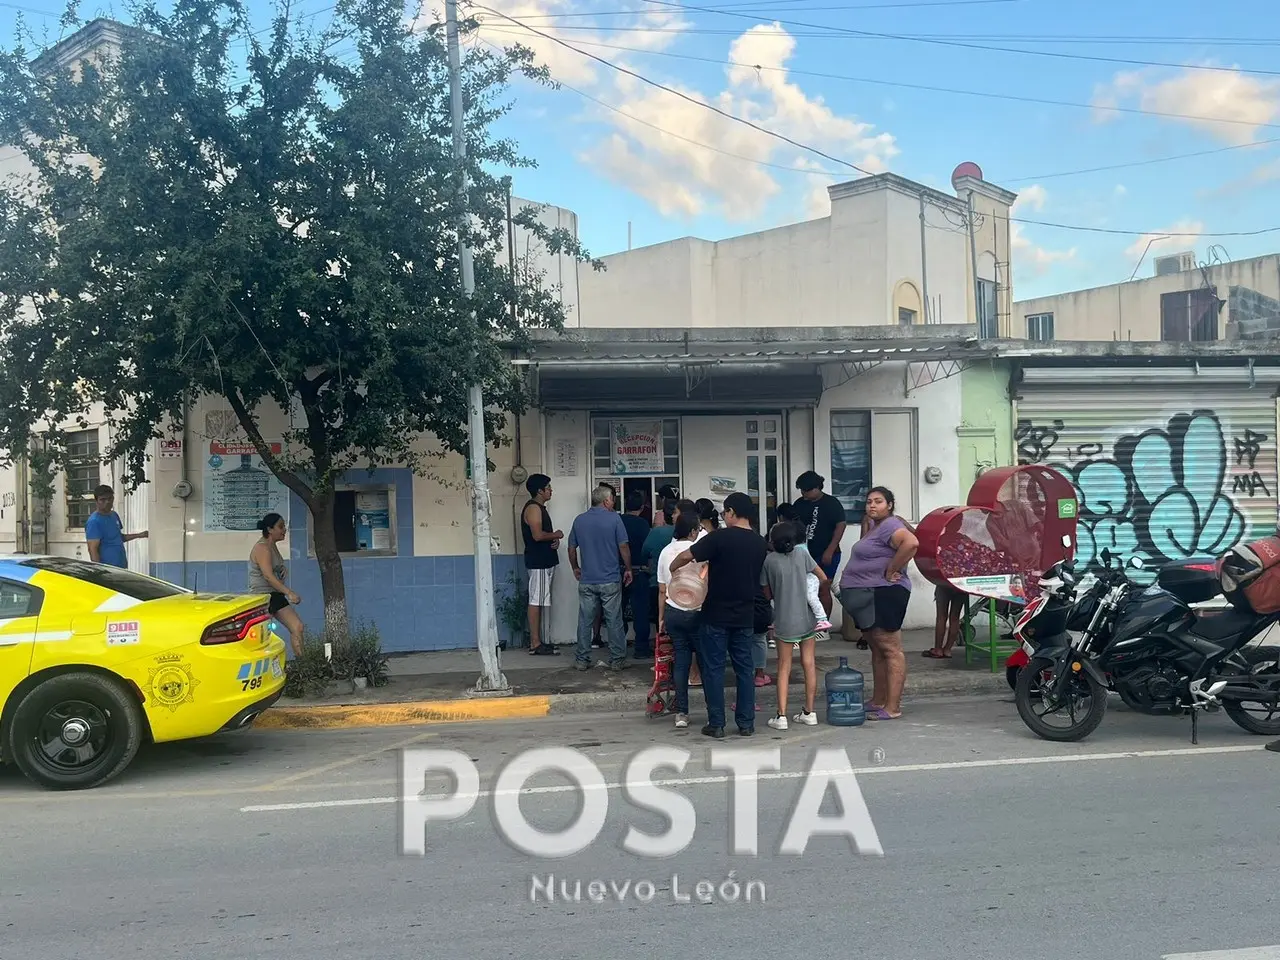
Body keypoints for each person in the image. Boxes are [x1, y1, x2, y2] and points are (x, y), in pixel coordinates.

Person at [670, 491, 768, 738]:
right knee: (744, 669)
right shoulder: (759, 542)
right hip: (745, 614)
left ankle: (717, 723)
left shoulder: (719, 538)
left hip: (716, 614)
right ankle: (746, 723)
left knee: (713, 669)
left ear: (732, 512)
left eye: (725, 512)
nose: (724, 516)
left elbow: (686, 555)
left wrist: (673, 570)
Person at [837, 486, 918, 720]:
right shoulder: (875, 526)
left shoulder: (892, 525)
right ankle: (878, 700)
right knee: (877, 649)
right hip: (870, 594)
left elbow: (911, 544)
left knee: (890, 649)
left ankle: (892, 708)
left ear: (890, 505)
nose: (872, 505)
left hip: (884, 593)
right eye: (869, 501)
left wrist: (891, 569)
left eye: (879, 501)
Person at [762, 519, 832, 730]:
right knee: (809, 664)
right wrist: (812, 593)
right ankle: (809, 712)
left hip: (784, 620)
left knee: (784, 667)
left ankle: (781, 716)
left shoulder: (769, 561)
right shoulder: (802, 554)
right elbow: (822, 576)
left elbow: (766, 592)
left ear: (773, 542)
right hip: (807, 619)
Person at [568, 484, 634, 671]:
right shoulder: (614, 519)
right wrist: (628, 568)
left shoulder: (579, 520)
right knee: (614, 620)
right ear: (606, 501)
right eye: (612, 499)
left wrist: (575, 567)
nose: (614, 502)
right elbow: (623, 547)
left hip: (587, 580)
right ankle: (617, 660)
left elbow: (571, 548)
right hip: (610, 579)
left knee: (585, 621)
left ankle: (582, 659)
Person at [656, 512, 704, 729]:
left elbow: (662, 589)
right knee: (707, 662)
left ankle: (682, 713)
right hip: (698, 612)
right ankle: (713, 711)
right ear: (693, 531)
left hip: (674, 611)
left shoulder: (666, 552)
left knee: (681, 662)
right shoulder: (700, 551)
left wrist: (661, 618)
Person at [792, 471, 846, 622]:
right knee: (805, 589)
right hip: (805, 554)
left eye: (806, 490)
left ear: (817, 487)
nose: (803, 493)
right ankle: (806, 623)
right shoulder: (799, 504)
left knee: (823, 588)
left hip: (829, 554)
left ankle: (823, 625)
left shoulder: (832, 503)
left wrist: (829, 550)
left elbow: (841, 526)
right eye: (801, 490)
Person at [249, 512, 304, 657]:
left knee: (297, 626)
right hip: (263, 597)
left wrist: (282, 568)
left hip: (275, 595)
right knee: (262, 636)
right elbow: (268, 576)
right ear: (270, 530)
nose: (284, 530)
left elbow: (272, 568)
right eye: (280, 527)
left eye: (284, 526)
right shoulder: (262, 548)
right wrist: (289, 592)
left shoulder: (272, 546)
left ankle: (304, 664)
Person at [521, 474, 563, 656]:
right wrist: (557, 534)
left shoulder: (540, 508)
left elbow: (543, 536)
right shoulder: (533, 508)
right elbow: (537, 535)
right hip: (538, 562)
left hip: (545, 560)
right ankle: (535, 643)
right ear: (539, 490)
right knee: (535, 600)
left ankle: (539, 640)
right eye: (548, 487)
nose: (551, 490)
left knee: (540, 600)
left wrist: (554, 541)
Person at [775, 502, 832, 633]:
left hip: (809, 578)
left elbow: (819, 574)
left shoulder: (800, 551)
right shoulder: (799, 533)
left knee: (811, 597)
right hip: (803, 577)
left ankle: (822, 619)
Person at [621, 490, 654, 658]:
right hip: (639, 571)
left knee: (617, 612)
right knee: (641, 612)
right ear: (642, 507)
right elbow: (648, 549)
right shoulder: (642, 524)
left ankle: (618, 648)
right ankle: (641, 649)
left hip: (617, 571)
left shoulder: (617, 521)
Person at [85, 484, 147, 569]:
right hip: (108, 570)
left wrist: (140, 535)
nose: (107, 502)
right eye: (102, 500)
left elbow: (119, 537)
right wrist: (99, 571)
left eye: (110, 499)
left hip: (121, 566)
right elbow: (92, 549)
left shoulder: (114, 515)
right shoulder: (94, 522)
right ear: (96, 501)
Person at [925, 581, 966, 659]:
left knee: (941, 617)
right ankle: (947, 650)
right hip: (961, 584)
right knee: (955, 618)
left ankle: (938, 650)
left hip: (944, 583)